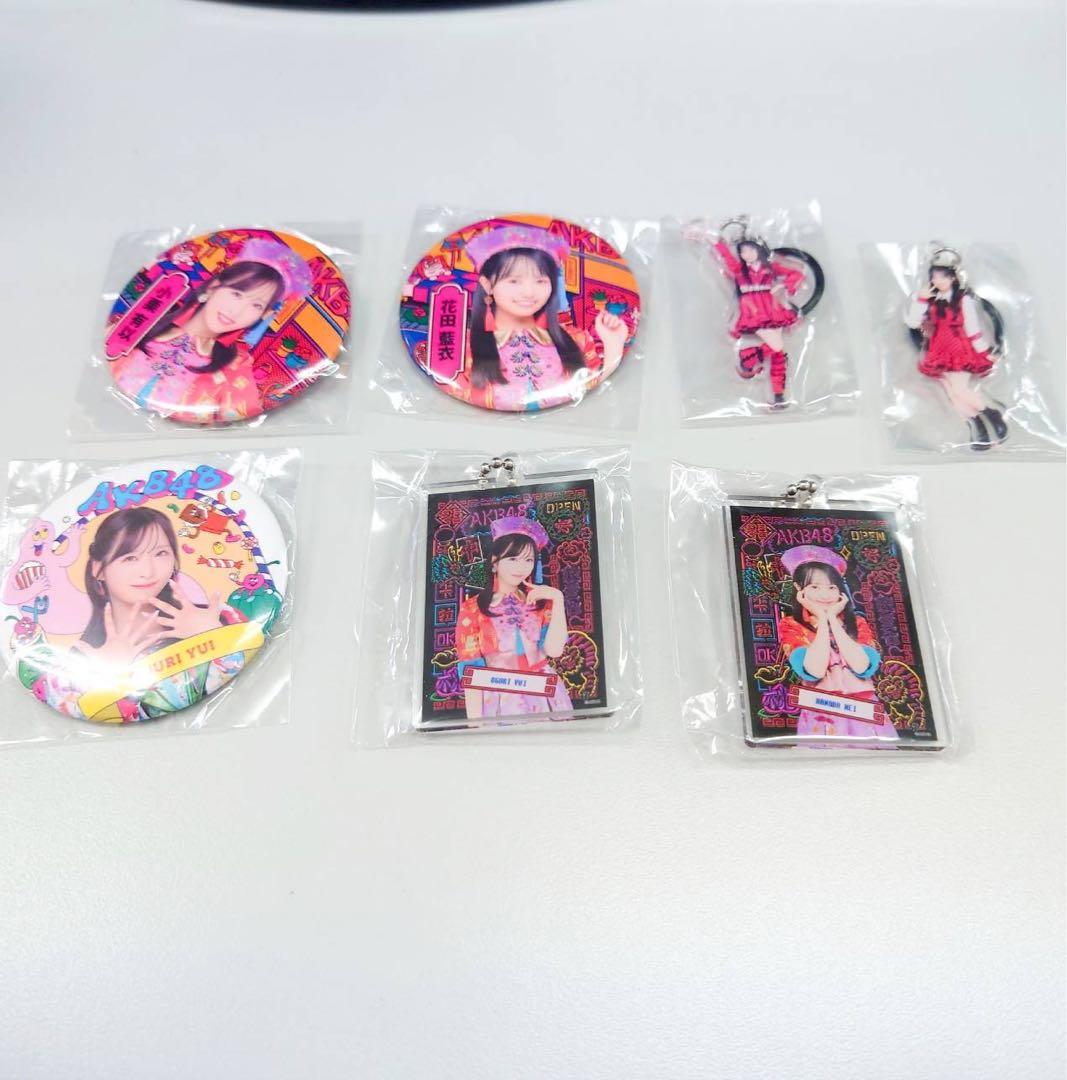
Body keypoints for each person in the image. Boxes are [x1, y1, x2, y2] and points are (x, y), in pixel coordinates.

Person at [32, 506, 248, 720]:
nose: (148, 572)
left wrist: (213, 637)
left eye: (161, 553)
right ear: (98, 569)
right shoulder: (78, 661)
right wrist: (107, 672)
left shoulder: (216, 618)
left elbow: (239, 658)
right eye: (129, 558)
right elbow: (76, 707)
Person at [110, 237, 311, 423]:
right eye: (237, 294)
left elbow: (240, 425)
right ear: (214, 287)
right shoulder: (146, 323)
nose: (237, 311)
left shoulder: (235, 368)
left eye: (256, 305)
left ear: (263, 314)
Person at [462, 224, 629, 410]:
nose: (529, 292)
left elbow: (595, 397)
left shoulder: (576, 339)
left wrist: (613, 345)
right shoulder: (464, 348)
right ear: (487, 285)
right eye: (514, 281)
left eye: (540, 281)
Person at [776, 545, 899, 742]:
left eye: (832, 587)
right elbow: (815, 671)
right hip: (822, 712)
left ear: (840, 591)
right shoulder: (790, 625)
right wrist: (821, 618)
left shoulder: (857, 623)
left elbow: (861, 667)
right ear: (799, 589)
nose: (825, 595)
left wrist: (833, 619)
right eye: (815, 587)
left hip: (865, 712)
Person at [454, 515, 572, 719]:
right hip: (498, 694)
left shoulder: (542, 602)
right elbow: (471, 671)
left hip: (544, 693)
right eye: (512, 559)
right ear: (494, 562)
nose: (521, 567)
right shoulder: (472, 609)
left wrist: (558, 598)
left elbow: (554, 651)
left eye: (528, 560)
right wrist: (474, 725)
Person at [904, 248, 1007, 451]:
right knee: (952, 394)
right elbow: (912, 322)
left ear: (953, 277)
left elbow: (973, 328)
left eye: (943, 277)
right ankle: (978, 427)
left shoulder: (963, 299)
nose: (939, 281)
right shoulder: (929, 299)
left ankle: (992, 414)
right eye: (935, 277)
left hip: (959, 349)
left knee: (960, 390)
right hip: (937, 350)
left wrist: (985, 352)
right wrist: (921, 299)